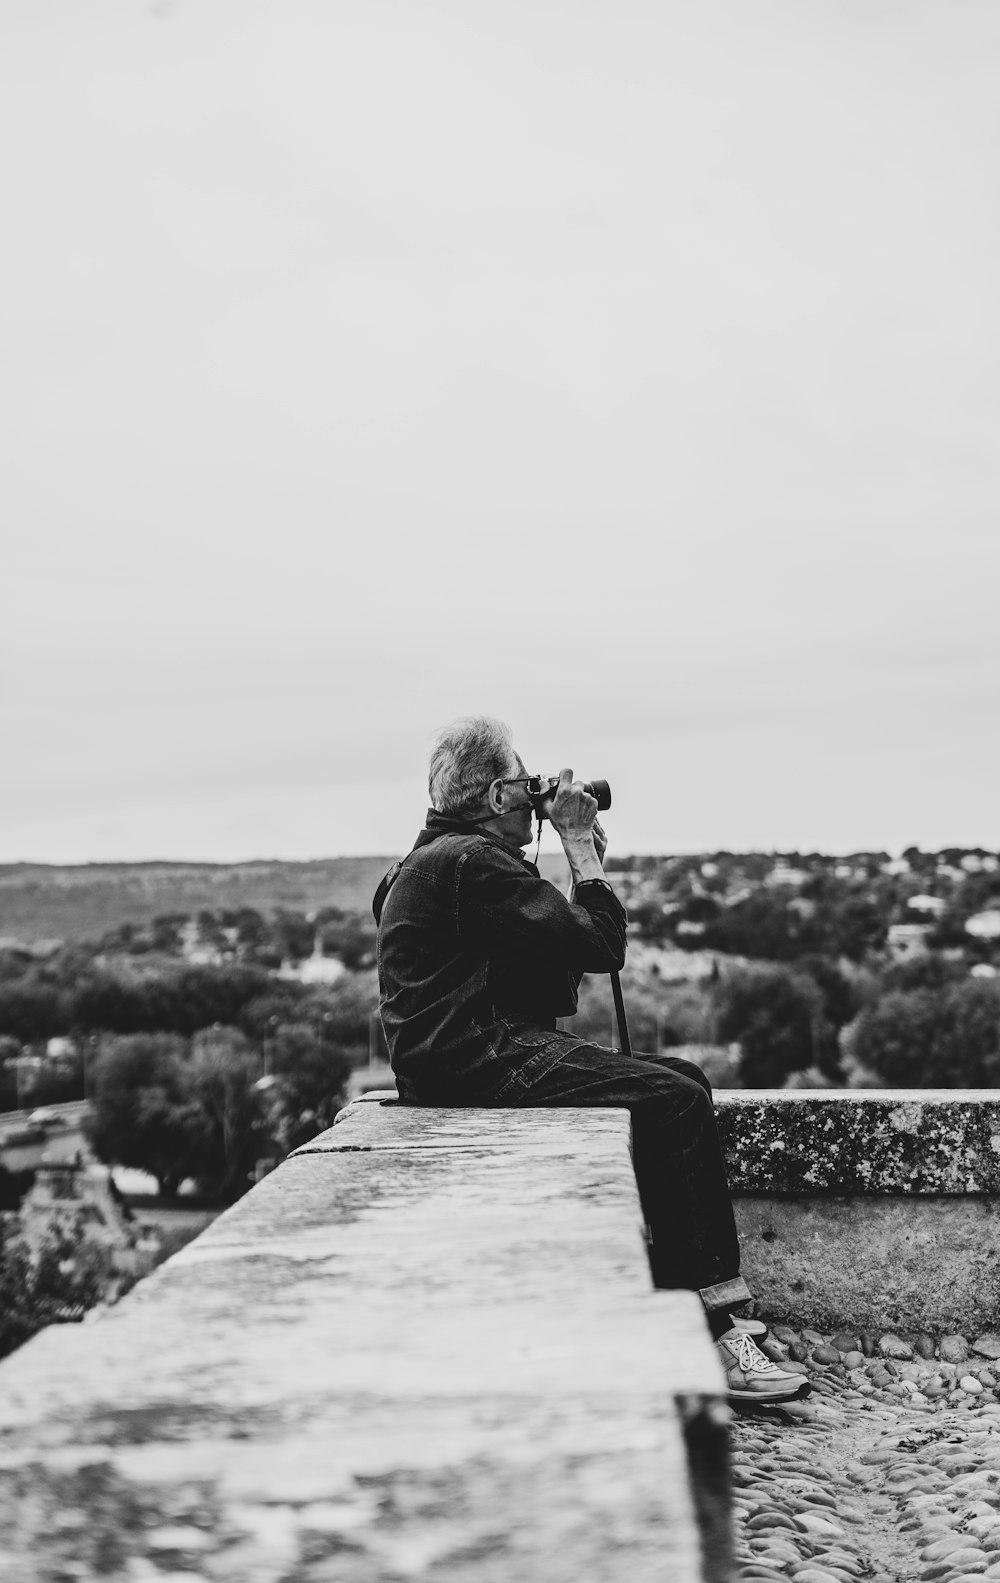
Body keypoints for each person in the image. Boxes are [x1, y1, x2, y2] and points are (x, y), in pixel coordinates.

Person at [374, 716, 805, 1403]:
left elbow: (554, 982)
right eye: (524, 782)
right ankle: (718, 1328)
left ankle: (679, 1306)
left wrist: (577, 875)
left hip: (456, 1057)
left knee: (684, 1078)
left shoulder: (429, 863)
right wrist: (581, 849)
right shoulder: (472, 862)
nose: (533, 796)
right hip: (481, 1058)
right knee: (678, 1099)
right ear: (495, 797)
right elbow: (604, 949)